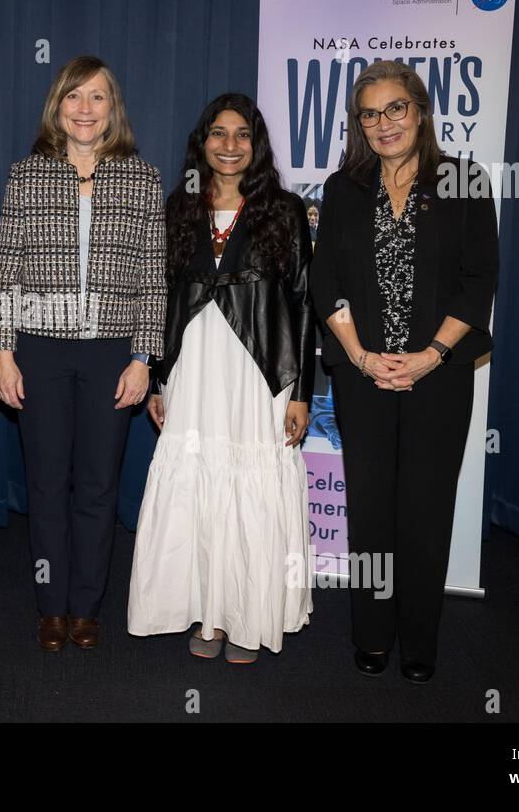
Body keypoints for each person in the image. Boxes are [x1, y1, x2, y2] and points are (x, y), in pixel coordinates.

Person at [309, 59, 498, 683]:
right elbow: (327, 282)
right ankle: (372, 634)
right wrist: (361, 355)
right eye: (370, 113)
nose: (384, 123)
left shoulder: (464, 181)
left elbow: (478, 283)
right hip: (362, 378)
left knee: (425, 509)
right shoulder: (342, 190)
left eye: (396, 108)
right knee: (372, 511)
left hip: (438, 378)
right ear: (357, 125)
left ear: (419, 111)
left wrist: (431, 355)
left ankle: (419, 641)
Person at [127, 93, 315, 663]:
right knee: (198, 480)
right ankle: (208, 615)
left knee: (249, 481)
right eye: (218, 133)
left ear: (255, 146)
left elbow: (305, 302)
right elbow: (161, 301)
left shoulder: (283, 211)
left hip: (259, 372)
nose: (229, 146)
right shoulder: (179, 206)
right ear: (201, 141)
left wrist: (302, 392)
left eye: (242, 135)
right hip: (195, 366)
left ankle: (246, 617)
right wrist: (160, 379)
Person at [0, 56, 166, 651]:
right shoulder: (26, 175)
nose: (85, 109)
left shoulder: (142, 178)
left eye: (98, 98)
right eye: (74, 97)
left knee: (97, 485)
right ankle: (50, 606)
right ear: (56, 107)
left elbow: (153, 277)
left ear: (113, 109)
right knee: (45, 483)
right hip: (38, 350)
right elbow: (5, 270)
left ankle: (86, 608)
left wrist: (144, 358)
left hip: (113, 354)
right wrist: (4, 353)